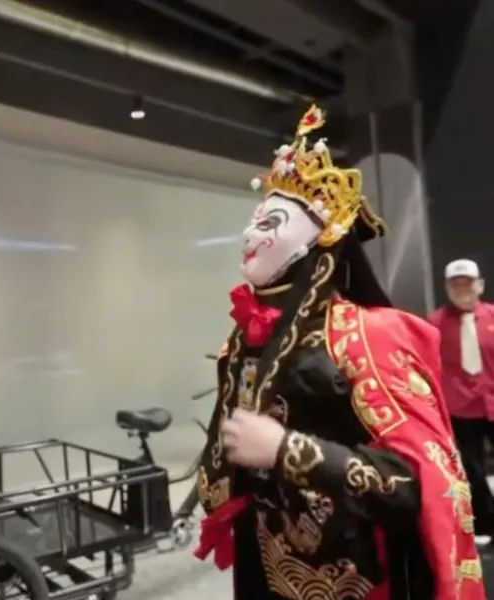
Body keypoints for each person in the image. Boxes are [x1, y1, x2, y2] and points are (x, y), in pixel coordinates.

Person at [192, 105, 483, 600]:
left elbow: (420, 480)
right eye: (254, 221)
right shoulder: (243, 339)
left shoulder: (369, 335)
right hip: (270, 564)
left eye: (271, 222)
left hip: (359, 578)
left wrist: (288, 450)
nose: (250, 235)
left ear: (322, 235)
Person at [429, 258, 494, 543]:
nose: (462, 290)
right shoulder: (435, 323)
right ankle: (486, 523)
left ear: (480, 285)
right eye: (455, 285)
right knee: (472, 469)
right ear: (447, 288)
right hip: (461, 408)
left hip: (492, 400)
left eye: (467, 284)